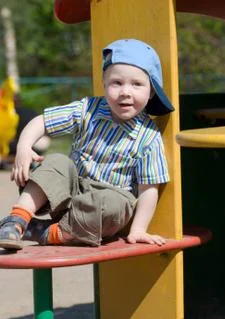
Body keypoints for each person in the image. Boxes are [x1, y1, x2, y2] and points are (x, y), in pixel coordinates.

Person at [0, 38, 174, 250]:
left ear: (152, 91)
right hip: (68, 195)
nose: (125, 92)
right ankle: (17, 220)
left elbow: (149, 189)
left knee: (115, 203)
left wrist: (138, 229)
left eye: (137, 84)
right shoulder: (87, 110)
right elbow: (42, 122)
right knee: (57, 161)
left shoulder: (149, 137)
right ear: (104, 84)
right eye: (116, 83)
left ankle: (46, 232)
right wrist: (24, 147)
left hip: (102, 212)